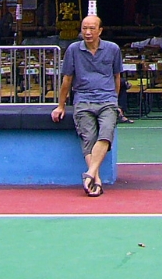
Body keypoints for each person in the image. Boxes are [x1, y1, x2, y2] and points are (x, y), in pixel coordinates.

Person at [52, 14, 122, 197]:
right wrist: (60, 105)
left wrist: (114, 100)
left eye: (92, 28)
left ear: (100, 31)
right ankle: (96, 179)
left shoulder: (113, 49)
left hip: (107, 99)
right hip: (83, 100)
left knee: (106, 133)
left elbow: (117, 77)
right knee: (87, 137)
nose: (88, 32)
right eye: (84, 28)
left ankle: (89, 174)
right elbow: (67, 79)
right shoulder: (73, 50)